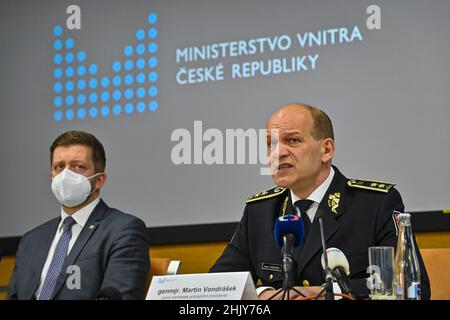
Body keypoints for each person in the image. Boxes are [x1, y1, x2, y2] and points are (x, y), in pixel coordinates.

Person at [210, 103, 430, 300]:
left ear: (326, 150)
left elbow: (409, 287)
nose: (278, 153)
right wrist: (263, 293)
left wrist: (323, 293)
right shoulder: (260, 211)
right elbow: (218, 286)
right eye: (271, 143)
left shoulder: (374, 204)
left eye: (292, 140)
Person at [7, 131, 150, 300]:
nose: (65, 175)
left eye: (78, 166)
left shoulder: (124, 231)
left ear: (99, 180)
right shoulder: (31, 240)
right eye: (59, 167)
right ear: (51, 176)